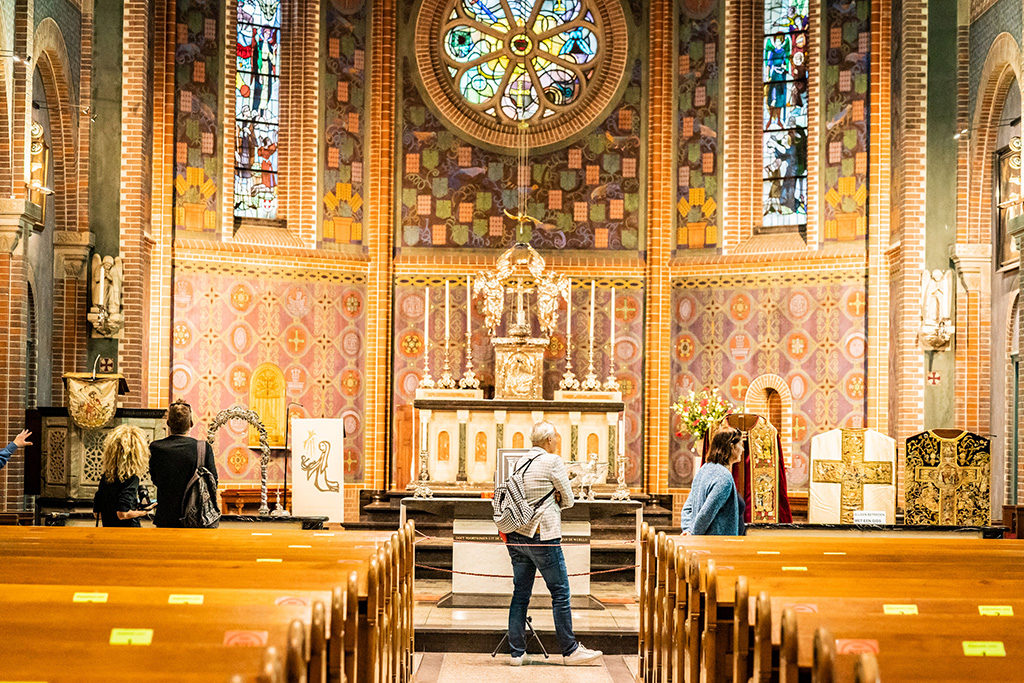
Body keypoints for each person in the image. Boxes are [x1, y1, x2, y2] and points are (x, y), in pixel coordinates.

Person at [503, 421, 603, 667]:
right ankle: (570, 651)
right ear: (548, 440)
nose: (557, 441)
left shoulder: (519, 462)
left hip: (516, 535)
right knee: (560, 592)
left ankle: (517, 652)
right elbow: (568, 499)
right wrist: (557, 496)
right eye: (556, 438)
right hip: (542, 536)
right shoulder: (553, 460)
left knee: (520, 593)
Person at [149, 399, 218, 528]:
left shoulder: (156, 447)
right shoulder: (203, 448)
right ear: (191, 423)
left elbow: (155, 479)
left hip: (165, 517)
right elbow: (213, 482)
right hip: (196, 518)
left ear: (168, 423)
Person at [680, 427, 745, 536]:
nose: (742, 449)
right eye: (740, 445)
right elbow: (706, 514)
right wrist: (693, 535)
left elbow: (687, 508)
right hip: (718, 543)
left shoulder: (704, 469)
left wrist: (687, 529)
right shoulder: (723, 477)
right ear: (731, 447)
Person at [93, 425, 155, 527]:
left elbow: (97, 514)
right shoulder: (131, 478)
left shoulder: (106, 477)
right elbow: (122, 514)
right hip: (127, 533)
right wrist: (143, 512)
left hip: (108, 531)